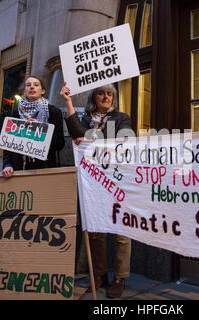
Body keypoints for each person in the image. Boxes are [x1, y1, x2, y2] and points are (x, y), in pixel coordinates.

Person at [60, 82, 132, 299]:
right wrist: (68, 101)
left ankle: (120, 277)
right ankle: (100, 274)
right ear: (94, 96)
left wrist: (92, 139)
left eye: (109, 94)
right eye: (101, 93)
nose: (105, 97)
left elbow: (124, 142)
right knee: (96, 231)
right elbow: (75, 134)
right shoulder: (85, 118)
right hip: (93, 182)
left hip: (117, 180)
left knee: (121, 231)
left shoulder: (121, 118)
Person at [2, 76, 64, 177]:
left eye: (36, 85)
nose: (32, 87)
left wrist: (40, 129)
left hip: (45, 167)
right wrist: (7, 164)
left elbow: (59, 144)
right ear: (25, 91)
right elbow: (8, 143)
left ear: (42, 91)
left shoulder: (54, 112)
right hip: (19, 168)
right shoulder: (15, 113)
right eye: (28, 85)